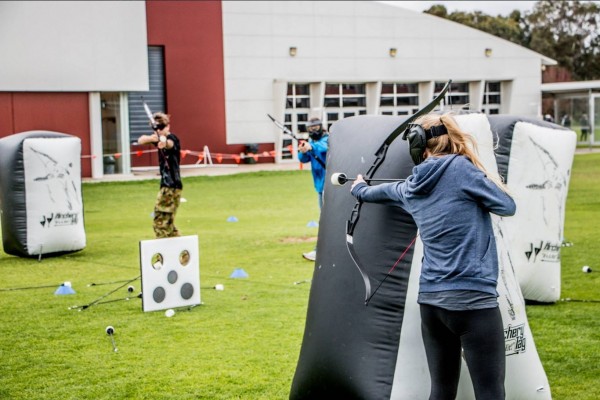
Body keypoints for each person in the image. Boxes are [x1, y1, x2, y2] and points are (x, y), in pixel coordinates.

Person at [350, 112, 516, 400]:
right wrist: (481, 173)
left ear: (417, 147)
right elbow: (507, 205)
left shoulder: (411, 187)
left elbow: (383, 192)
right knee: (490, 392)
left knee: (441, 390)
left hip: (431, 304)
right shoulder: (463, 170)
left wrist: (360, 189)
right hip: (473, 301)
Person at [137, 112, 183, 238]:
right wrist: (154, 138)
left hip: (170, 187)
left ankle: (166, 253)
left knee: (160, 224)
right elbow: (140, 140)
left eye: (162, 127)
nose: (160, 130)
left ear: (168, 126)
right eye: (158, 128)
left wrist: (162, 141)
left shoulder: (173, 139)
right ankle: (183, 254)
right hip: (170, 187)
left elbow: (168, 143)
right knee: (168, 224)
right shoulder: (156, 137)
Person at [298, 117, 329, 261]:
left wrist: (312, 147)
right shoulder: (312, 143)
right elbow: (303, 159)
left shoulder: (328, 139)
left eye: (315, 127)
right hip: (320, 187)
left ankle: (319, 251)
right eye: (310, 128)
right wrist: (304, 150)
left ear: (321, 126)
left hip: (330, 186)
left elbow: (324, 147)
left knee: (325, 220)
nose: (313, 130)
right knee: (325, 219)